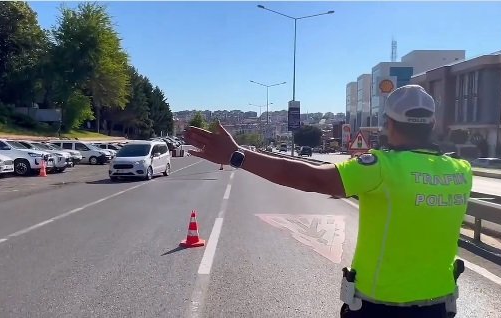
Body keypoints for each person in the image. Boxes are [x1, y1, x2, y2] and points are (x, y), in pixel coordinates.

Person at [184, 85, 472, 318]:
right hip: (440, 304)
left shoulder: (382, 168)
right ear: (432, 123)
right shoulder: (461, 172)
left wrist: (238, 156)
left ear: (389, 123)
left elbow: (310, 178)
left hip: (380, 306)